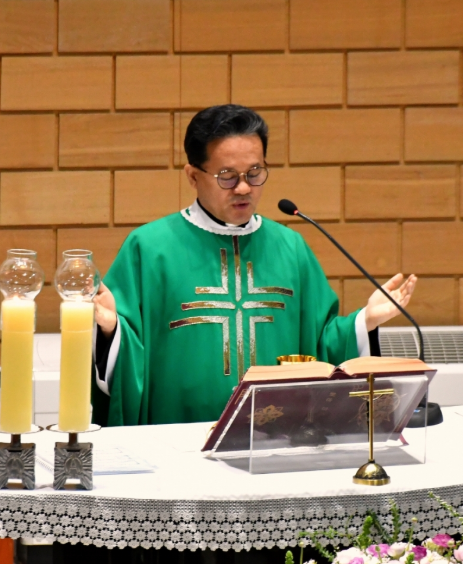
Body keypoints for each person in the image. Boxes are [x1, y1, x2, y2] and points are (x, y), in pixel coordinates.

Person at [91, 104, 417, 426]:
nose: (244, 188)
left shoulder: (290, 247)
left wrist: (364, 321)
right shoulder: (150, 248)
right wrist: (110, 330)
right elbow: (128, 355)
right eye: (227, 176)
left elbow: (321, 345)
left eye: (255, 173)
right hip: (177, 436)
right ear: (193, 176)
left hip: (277, 436)